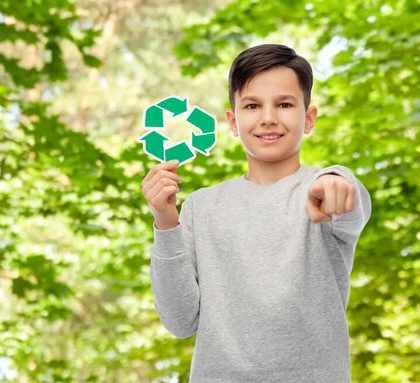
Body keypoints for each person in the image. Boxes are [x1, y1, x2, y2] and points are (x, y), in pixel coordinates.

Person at [141, 43, 372, 382]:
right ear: (233, 122)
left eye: (284, 104)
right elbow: (180, 321)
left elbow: (349, 203)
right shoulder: (200, 208)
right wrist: (165, 223)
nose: (268, 117)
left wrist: (335, 184)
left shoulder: (325, 189)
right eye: (252, 105)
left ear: (308, 119)